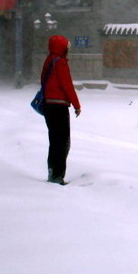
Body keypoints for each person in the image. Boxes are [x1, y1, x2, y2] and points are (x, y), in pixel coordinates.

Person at [41, 34, 81, 185]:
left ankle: (52, 171)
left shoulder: (49, 61)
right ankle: (58, 175)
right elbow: (67, 86)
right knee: (63, 142)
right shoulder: (61, 63)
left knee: (54, 141)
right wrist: (76, 105)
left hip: (48, 106)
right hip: (59, 107)